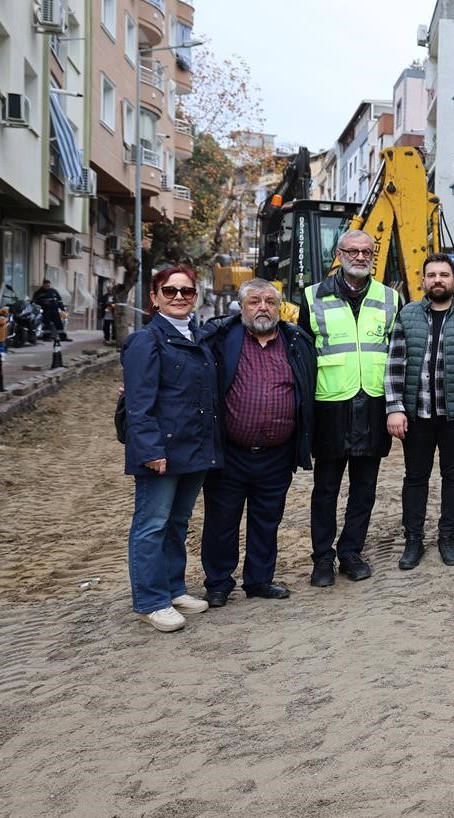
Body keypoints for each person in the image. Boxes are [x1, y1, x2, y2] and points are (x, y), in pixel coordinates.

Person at [199, 279, 316, 606]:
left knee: (267, 521)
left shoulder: (296, 341)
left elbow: (309, 387)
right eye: (254, 301)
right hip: (231, 452)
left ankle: (259, 580)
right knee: (222, 522)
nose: (262, 307)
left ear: (279, 307)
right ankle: (219, 583)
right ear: (241, 306)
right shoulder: (221, 338)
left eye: (269, 301)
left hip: (277, 454)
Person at [296, 229, 401, 587]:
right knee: (325, 489)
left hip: (372, 403)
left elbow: (396, 355)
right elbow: (303, 357)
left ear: (374, 256)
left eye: (366, 252)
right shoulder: (312, 297)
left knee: (364, 488)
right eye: (352, 251)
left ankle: (351, 552)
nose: (360, 257)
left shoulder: (390, 298)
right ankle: (322, 558)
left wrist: (395, 406)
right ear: (339, 255)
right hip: (329, 406)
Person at [120, 264, 221, 632]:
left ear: (196, 296)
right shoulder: (146, 340)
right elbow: (138, 404)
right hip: (160, 452)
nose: (179, 297)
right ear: (154, 297)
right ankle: (150, 600)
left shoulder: (197, 335)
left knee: (177, 523)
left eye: (187, 291)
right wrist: (150, 450)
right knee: (151, 524)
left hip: (193, 448)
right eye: (170, 291)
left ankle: (173, 588)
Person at [386, 253, 454, 570]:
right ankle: (413, 540)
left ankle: (447, 537)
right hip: (416, 416)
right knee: (415, 478)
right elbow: (394, 364)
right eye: (432, 275)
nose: (438, 280)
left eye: (444, 274)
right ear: (423, 280)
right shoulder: (407, 315)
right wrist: (394, 408)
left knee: (453, 477)